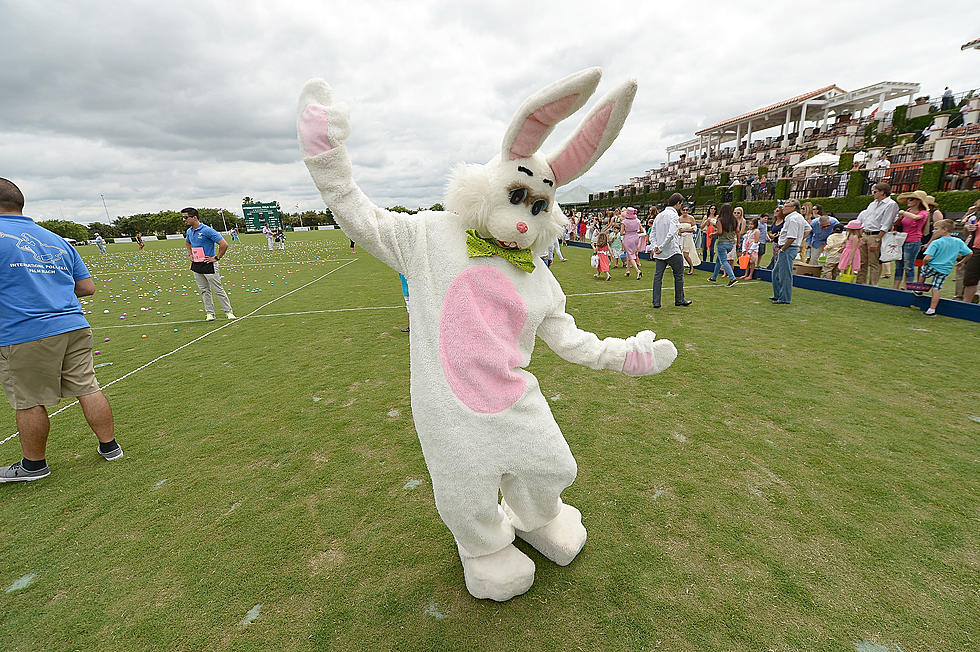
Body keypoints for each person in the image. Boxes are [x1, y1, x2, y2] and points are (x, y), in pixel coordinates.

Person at [0, 178, 121, 482]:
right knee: (87, 387)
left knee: (28, 399)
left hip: (25, 333)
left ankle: (33, 466)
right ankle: (110, 448)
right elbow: (86, 287)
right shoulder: (54, 238)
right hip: (73, 326)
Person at [182, 207, 236, 321]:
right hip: (196, 264)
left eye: (185, 217)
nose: (184, 220)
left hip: (209, 264)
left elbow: (224, 244)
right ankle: (210, 313)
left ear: (194, 217)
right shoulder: (189, 231)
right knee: (204, 290)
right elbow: (187, 242)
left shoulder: (207, 230)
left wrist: (216, 258)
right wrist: (189, 254)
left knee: (218, 289)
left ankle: (228, 312)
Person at [919, 219, 973, 315]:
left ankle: (919, 289)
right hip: (945, 269)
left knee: (923, 272)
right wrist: (962, 262)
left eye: (936, 229)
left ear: (945, 229)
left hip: (933, 266)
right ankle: (932, 310)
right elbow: (970, 253)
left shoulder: (936, 242)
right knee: (937, 288)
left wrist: (924, 263)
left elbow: (927, 258)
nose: (933, 231)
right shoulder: (958, 241)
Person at [650, 193, 692, 308]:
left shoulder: (659, 215)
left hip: (661, 251)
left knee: (658, 277)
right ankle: (679, 299)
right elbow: (671, 233)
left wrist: (656, 247)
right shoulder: (673, 216)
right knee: (678, 276)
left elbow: (652, 234)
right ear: (678, 203)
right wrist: (660, 247)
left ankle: (656, 302)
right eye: (681, 204)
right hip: (671, 251)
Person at [855, 182, 899, 286]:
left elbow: (886, 224)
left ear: (883, 193)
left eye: (875, 191)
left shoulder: (891, 204)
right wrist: (862, 233)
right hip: (866, 233)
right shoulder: (872, 204)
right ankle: (860, 283)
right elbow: (867, 219)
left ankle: (873, 285)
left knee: (873, 262)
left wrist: (877, 239)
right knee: (862, 262)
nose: (873, 193)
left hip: (876, 234)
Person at [771, 198, 807, 304]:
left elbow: (792, 237)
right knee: (776, 272)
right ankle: (778, 295)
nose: (783, 208)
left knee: (785, 274)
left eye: (786, 206)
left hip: (787, 248)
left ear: (794, 207)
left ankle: (784, 298)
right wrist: (800, 239)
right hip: (789, 247)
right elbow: (808, 229)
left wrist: (783, 248)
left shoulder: (793, 219)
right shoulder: (797, 217)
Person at [893, 191, 929, 290]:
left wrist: (904, 213)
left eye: (911, 199)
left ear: (918, 201)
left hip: (913, 241)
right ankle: (895, 287)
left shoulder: (924, 212)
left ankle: (907, 286)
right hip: (902, 240)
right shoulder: (908, 210)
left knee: (908, 265)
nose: (909, 201)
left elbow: (917, 217)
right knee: (899, 265)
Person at [708, 203, 739, 286]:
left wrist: (712, 234)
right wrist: (738, 242)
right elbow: (737, 232)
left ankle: (732, 278)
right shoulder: (734, 220)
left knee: (724, 261)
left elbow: (720, 232)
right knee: (719, 260)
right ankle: (714, 277)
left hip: (722, 243)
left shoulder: (720, 220)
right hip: (731, 243)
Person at [959, 202, 980, 303]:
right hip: (976, 249)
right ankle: (966, 304)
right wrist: (970, 228)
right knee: (970, 277)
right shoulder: (977, 215)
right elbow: (967, 229)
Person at [620, 207, 643, 279]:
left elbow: (621, 233)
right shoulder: (637, 221)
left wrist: (627, 233)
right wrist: (635, 232)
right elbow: (642, 230)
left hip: (628, 238)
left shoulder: (624, 222)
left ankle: (637, 270)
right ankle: (628, 270)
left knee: (630, 254)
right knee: (630, 253)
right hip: (635, 237)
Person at [678, 204, 700, 274]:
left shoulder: (691, 218)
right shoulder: (678, 218)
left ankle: (691, 267)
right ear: (681, 211)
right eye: (683, 210)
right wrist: (679, 232)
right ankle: (681, 267)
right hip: (680, 238)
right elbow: (676, 229)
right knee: (679, 254)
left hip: (688, 237)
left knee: (686, 254)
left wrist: (684, 230)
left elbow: (694, 229)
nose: (685, 211)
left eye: (687, 210)